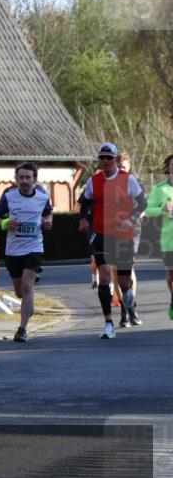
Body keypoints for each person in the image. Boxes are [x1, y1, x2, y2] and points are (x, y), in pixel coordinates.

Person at [77, 142, 147, 338]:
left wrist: (131, 218)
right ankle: (108, 323)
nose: (105, 160)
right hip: (101, 232)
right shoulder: (93, 181)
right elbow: (85, 202)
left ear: (115, 159)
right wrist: (83, 219)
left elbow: (143, 203)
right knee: (105, 276)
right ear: (99, 160)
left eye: (109, 157)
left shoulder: (128, 179)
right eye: (102, 157)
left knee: (124, 282)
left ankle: (129, 300)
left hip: (123, 234)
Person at [0, 163, 53, 342]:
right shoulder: (9, 197)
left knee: (27, 286)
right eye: (21, 177)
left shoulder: (43, 198)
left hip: (34, 248)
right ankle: (29, 299)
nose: (25, 181)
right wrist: (5, 223)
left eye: (28, 177)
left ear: (35, 179)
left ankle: (22, 329)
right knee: (20, 292)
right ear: (16, 179)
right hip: (13, 249)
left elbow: (48, 214)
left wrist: (48, 222)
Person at [143, 153, 173, 320]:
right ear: (168, 168)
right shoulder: (160, 189)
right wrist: (162, 209)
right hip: (169, 239)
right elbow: (148, 210)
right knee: (171, 274)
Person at [116, 152, 141, 326]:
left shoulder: (135, 183)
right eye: (118, 167)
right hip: (112, 230)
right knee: (115, 272)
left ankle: (131, 308)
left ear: (129, 167)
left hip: (132, 230)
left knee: (128, 268)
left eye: (124, 167)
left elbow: (143, 206)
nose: (121, 170)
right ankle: (124, 310)